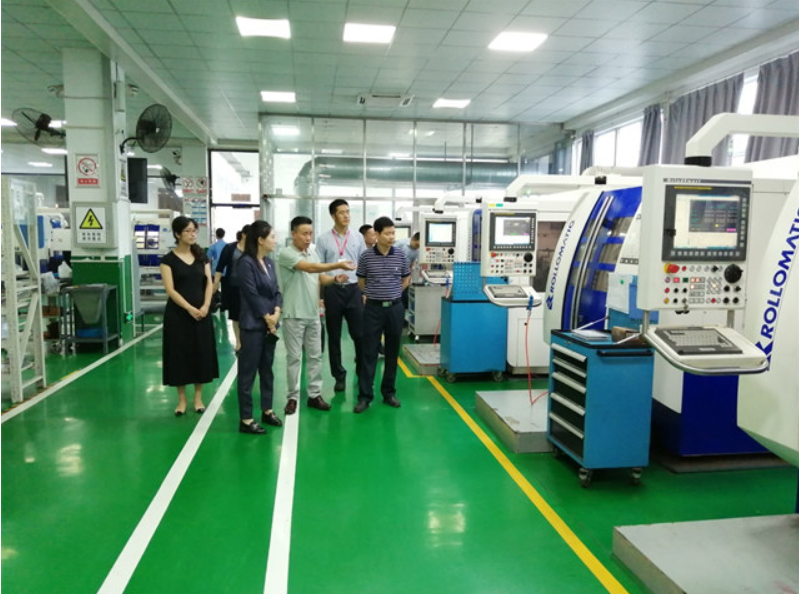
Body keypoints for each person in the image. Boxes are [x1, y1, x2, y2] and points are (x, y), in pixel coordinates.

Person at [278, 216, 356, 415]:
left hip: (313, 314)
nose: (308, 237)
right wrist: (336, 265)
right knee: (294, 358)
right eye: (304, 233)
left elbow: (320, 277)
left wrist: (335, 279)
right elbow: (310, 268)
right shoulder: (286, 253)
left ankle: (314, 395)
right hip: (294, 314)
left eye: (310, 233)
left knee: (315, 357)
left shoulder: (312, 253)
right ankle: (292, 397)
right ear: (293, 234)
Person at [160, 216, 219, 416]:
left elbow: (209, 283)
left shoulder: (202, 257)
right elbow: (171, 290)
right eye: (188, 231)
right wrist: (189, 308)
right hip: (178, 315)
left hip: (202, 313)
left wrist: (206, 305)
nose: (192, 234)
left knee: (200, 353)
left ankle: (198, 398)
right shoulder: (168, 261)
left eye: (194, 230)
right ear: (177, 234)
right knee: (180, 354)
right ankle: (182, 399)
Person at [354, 216, 411, 414]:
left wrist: (393, 294)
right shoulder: (366, 257)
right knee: (368, 352)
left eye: (393, 233)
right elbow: (361, 282)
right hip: (373, 309)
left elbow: (405, 279)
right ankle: (365, 396)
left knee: (392, 352)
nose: (392, 237)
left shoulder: (401, 255)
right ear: (377, 234)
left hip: (395, 308)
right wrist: (375, 295)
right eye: (387, 233)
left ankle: (389, 393)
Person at [236, 220, 282, 435]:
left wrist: (277, 312)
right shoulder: (245, 263)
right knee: (247, 373)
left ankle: (267, 410)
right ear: (260, 240)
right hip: (253, 326)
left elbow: (276, 291)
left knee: (267, 370)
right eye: (272, 237)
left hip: (269, 325)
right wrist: (267, 318)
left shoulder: (269, 263)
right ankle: (246, 419)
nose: (275, 241)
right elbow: (251, 294)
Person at [316, 199, 367, 392]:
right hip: (333, 290)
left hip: (354, 289)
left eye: (348, 212)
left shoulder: (357, 237)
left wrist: (365, 291)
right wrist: (321, 295)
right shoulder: (323, 239)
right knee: (334, 336)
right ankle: (339, 375)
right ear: (333, 216)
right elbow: (319, 269)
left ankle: (362, 370)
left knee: (359, 334)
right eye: (342, 212)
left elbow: (364, 265)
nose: (346, 215)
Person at [213, 225, 249, 353]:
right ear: (243, 235)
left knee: (248, 315)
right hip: (233, 287)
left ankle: (248, 340)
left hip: (250, 288)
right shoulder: (230, 248)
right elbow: (220, 267)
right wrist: (215, 283)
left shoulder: (254, 249)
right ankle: (239, 341)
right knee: (236, 315)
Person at [395, 231, 420, 309]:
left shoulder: (417, 250)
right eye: (416, 245)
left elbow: (411, 263)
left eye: (419, 246)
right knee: (394, 294)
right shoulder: (400, 243)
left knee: (404, 294)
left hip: (405, 274)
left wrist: (409, 276)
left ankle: (403, 312)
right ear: (413, 239)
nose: (417, 247)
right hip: (394, 272)